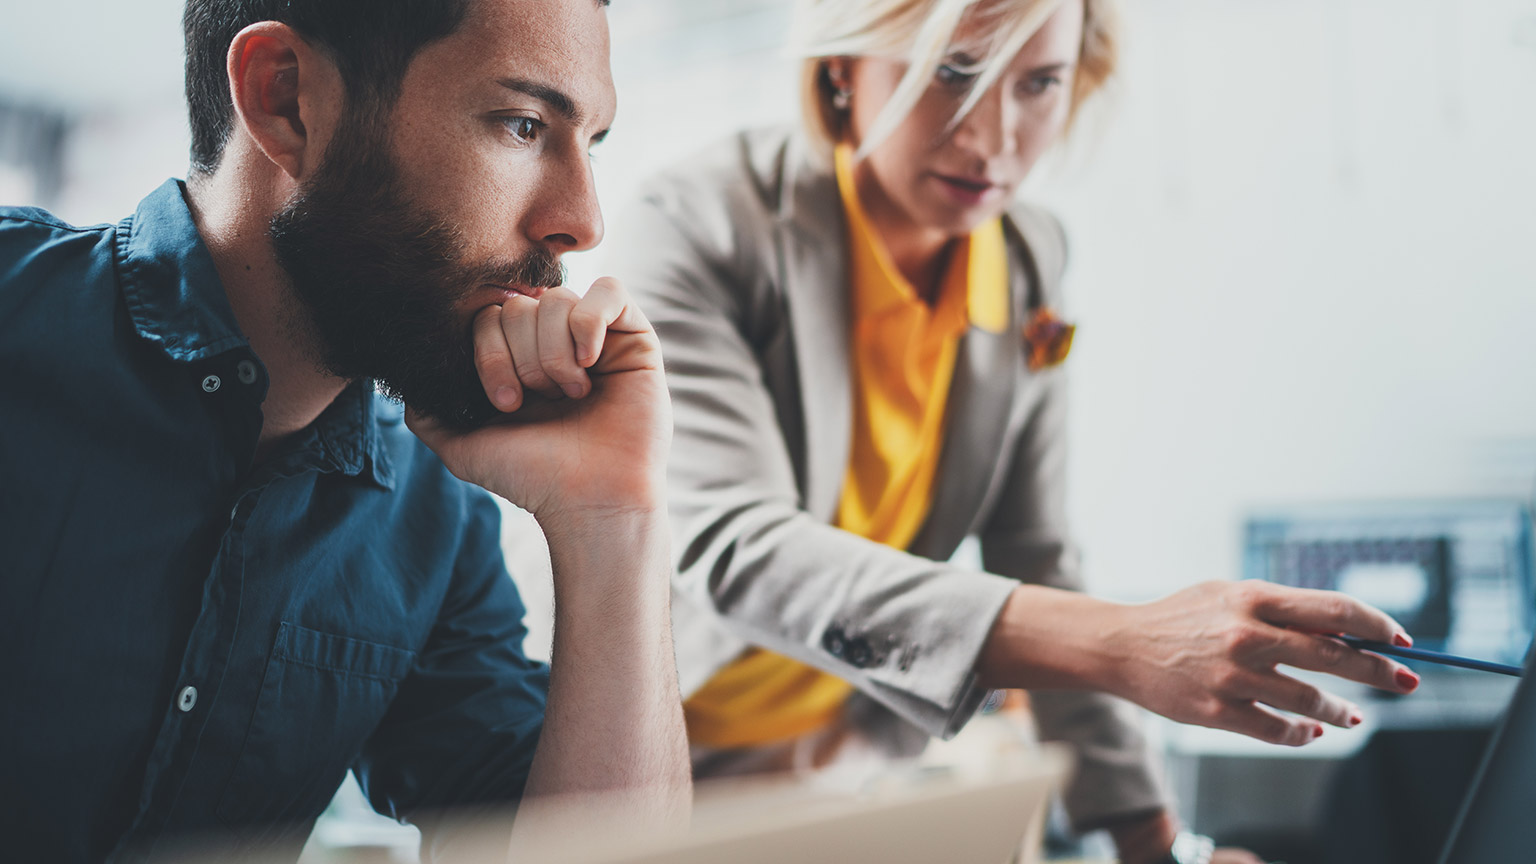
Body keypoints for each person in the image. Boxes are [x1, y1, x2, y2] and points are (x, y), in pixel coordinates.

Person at [607, 1, 1422, 862]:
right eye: (953, 72)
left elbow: (1036, 551)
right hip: (652, 760)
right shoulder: (699, 224)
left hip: (843, 771)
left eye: (1038, 84)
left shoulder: (1030, 258)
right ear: (842, 67)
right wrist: (1123, 640)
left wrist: (1161, 847)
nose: (995, 138)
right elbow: (736, 545)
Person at [0, 0, 689, 861]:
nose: (582, 221)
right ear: (286, 99)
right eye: (522, 125)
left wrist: (613, 525)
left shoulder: (434, 513)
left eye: (590, 143)